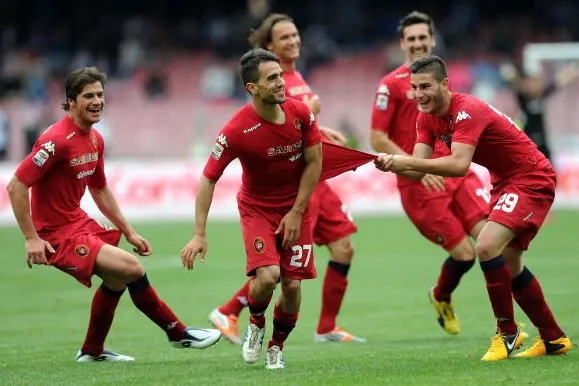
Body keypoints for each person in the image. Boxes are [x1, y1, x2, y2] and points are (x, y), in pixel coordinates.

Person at [6, 67, 221, 363]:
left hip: (77, 222)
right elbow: (16, 185)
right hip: (55, 233)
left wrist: (129, 231)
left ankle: (92, 351)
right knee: (131, 268)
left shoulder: (95, 139)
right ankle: (178, 333)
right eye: (88, 96)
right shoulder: (55, 140)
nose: (97, 101)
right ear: (70, 102)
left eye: (100, 94)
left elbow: (100, 189)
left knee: (117, 279)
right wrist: (31, 238)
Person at [374, 55, 573, 361]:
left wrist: (406, 162)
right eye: (414, 87)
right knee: (509, 263)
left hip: (531, 177)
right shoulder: (424, 117)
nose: (418, 94)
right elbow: (416, 171)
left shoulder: (467, 110)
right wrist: (390, 164)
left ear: (444, 84)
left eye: (425, 86)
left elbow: (457, 165)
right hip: (505, 181)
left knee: (486, 246)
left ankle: (507, 333)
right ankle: (554, 338)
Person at [208, 13, 365, 345]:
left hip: (312, 177)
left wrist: (320, 129)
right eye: (285, 38)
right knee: (282, 267)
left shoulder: (296, 76)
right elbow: (281, 125)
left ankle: (325, 327)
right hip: (295, 186)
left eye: (296, 35)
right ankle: (232, 310)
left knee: (343, 248)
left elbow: (296, 128)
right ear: (269, 47)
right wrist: (310, 110)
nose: (293, 41)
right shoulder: (277, 82)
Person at [180, 48, 323, 369]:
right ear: (252, 88)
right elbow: (207, 179)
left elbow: (315, 162)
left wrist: (298, 211)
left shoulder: (301, 114)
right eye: (271, 78)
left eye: (280, 75)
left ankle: (276, 346)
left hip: (297, 208)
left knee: (293, 285)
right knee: (269, 276)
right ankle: (256, 323)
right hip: (257, 209)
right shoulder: (236, 130)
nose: (280, 82)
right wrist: (199, 233)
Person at [370, 11, 492, 335]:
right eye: (411, 39)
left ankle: (506, 324)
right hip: (419, 184)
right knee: (465, 255)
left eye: (422, 37)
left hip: (454, 171)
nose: (417, 43)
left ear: (432, 40)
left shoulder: (442, 78)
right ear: (402, 44)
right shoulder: (391, 85)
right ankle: (440, 296)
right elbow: (377, 138)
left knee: (493, 241)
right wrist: (417, 168)